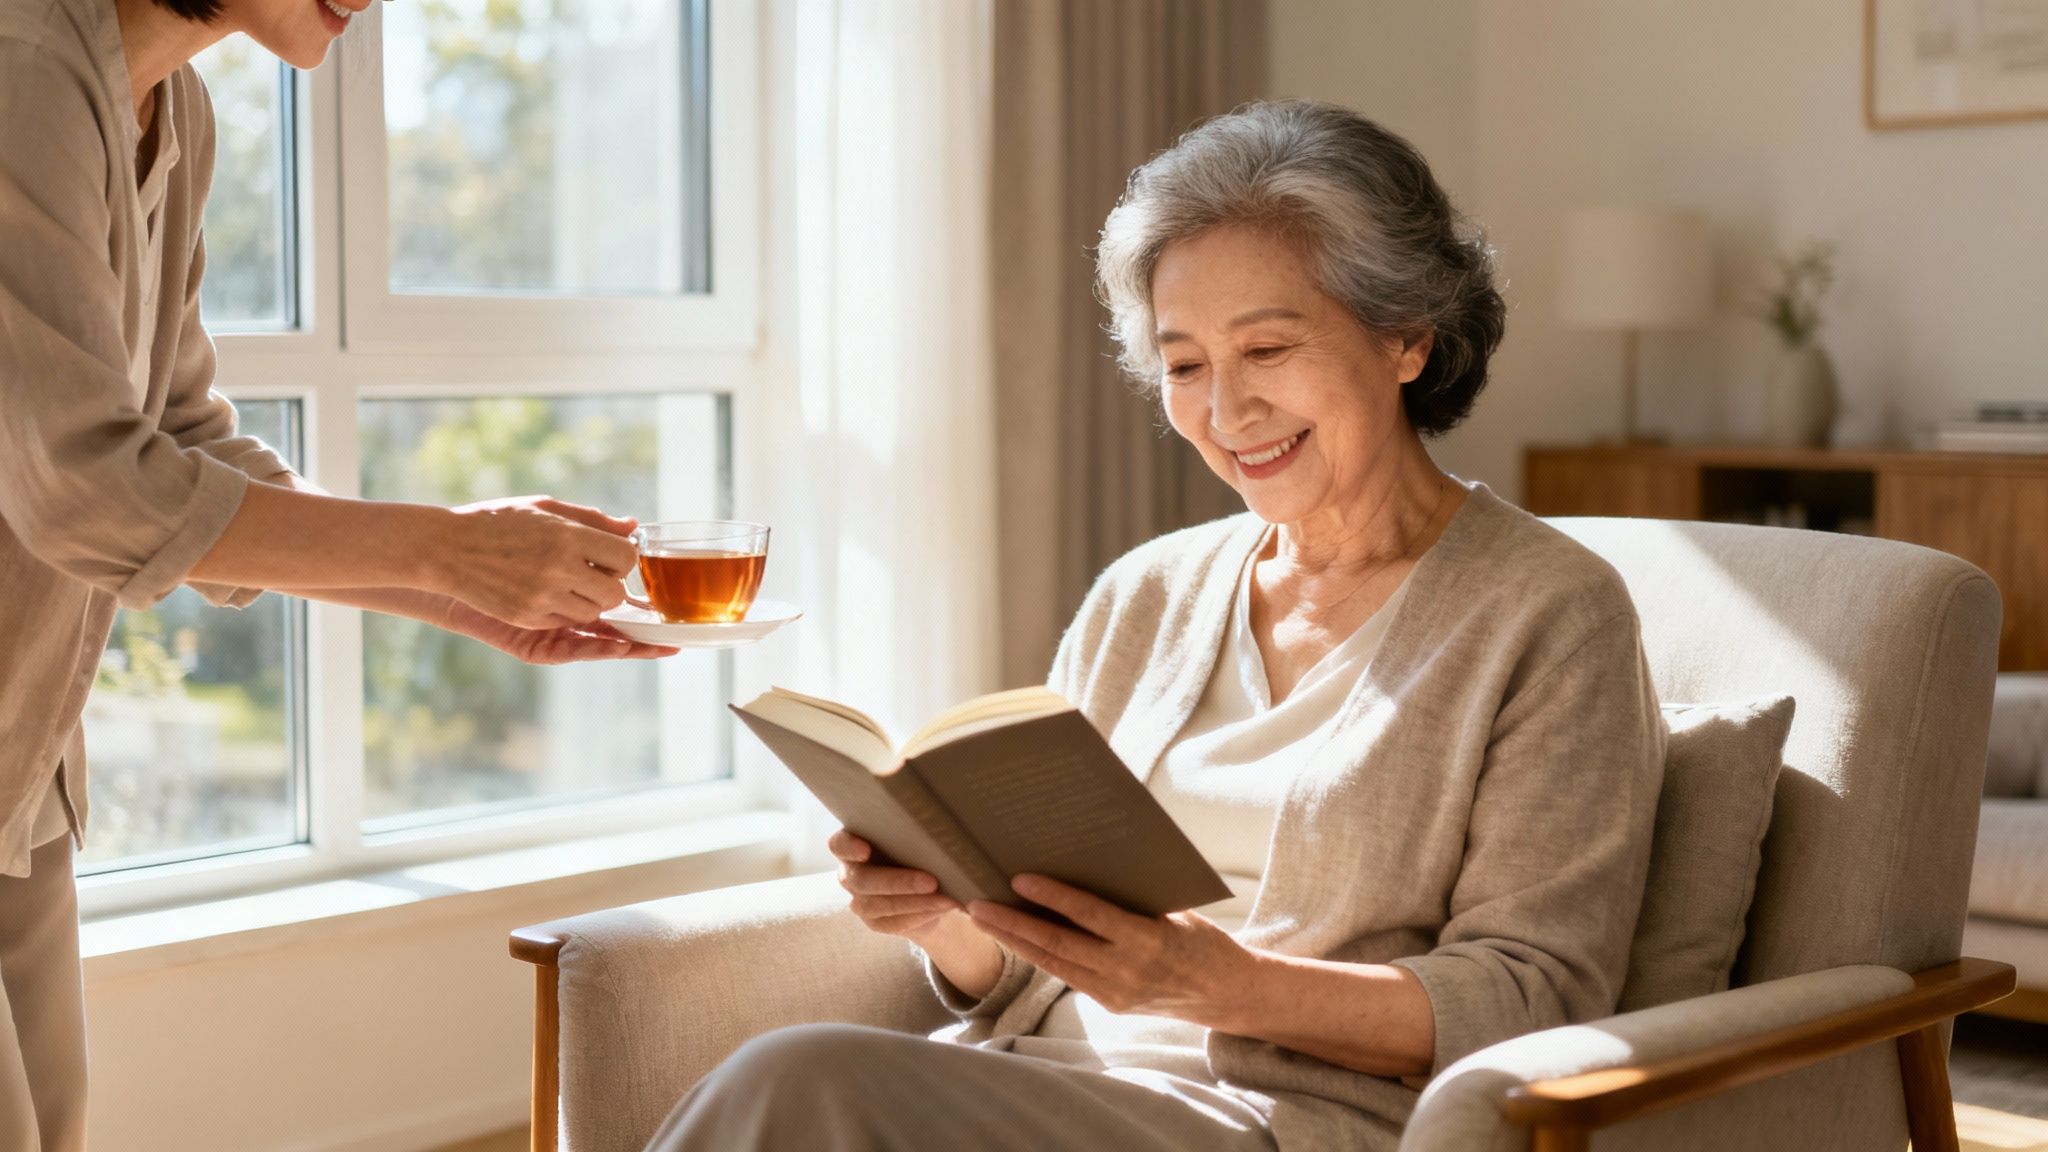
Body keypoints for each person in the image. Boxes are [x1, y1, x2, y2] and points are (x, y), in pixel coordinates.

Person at [647, 101, 1665, 1152]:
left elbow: (1534, 1003)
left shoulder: (1549, 612)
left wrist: (1220, 987)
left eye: (1266, 349)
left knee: (794, 1078)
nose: (1224, 413)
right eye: (1183, 366)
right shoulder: (1144, 595)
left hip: (1286, 1123)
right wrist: (950, 921)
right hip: (1045, 1086)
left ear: (1405, 336)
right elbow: (1035, 969)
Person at [0, 1, 669, 1146]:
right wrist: (448, 547)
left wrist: (456, 593)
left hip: (22, 770)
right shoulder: (20, 71)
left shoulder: (179, 115)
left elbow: (184, 437)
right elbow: (86, 487)